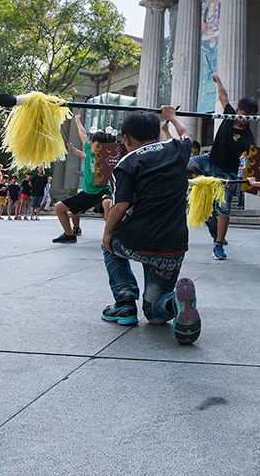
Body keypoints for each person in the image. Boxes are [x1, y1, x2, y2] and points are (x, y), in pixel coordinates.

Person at [100, 106, 201, 345]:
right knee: (155, 313)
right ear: (157, 135)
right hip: (173, 246)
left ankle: (124, 304)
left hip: (138, 240)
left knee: (109, 247)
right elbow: (188, 135)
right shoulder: (176, 148)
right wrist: (172, 117)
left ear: (126, 139)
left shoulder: (126, 163)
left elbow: (122, 204)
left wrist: (107, 233)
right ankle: (173, 303)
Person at [187, 72, 256, 260]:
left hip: (226, 174)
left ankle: (218, 245)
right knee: (181, 166)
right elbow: (223, 96)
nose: (246, 118)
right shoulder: (229, 114)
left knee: (223, 208)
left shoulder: (248, 137)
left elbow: (252, 159)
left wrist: (252, 172)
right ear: (238, 110)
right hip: (208, 161)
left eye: (251, 116)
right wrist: (218, 81)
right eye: (244, 114)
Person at [53, 116, 114, 243]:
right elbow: (82, 134)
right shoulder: (88, 150)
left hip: (102, 192)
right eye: (97, 146)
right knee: (59, 207)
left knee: (106, 204)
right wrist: (77, 120)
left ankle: (111, 236)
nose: (99, 150)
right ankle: (69, 234)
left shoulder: (107, 156)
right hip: (87, 193)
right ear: (91, 144)